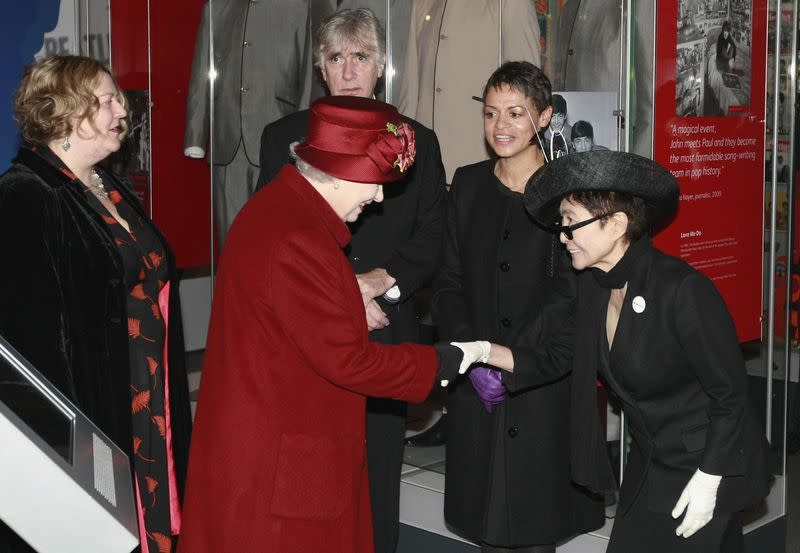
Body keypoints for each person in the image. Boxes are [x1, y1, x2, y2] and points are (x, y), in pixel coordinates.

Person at [179, 95, 481, 553]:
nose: (380, 196)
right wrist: (452, 358)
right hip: (284, 470)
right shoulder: (299, 238)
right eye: (376, 182)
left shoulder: (280, 210)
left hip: (268, 448)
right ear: (343, 171)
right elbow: (352, 363)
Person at [256, 9, 446, 553]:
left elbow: (433, 234)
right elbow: (275, 237)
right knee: (311, 467)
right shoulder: (283, 140)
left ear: (380, 65)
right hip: (309, 327)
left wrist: (384, 284)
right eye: (336, 58)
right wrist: (341, 291)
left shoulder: (418, 142)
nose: (348, 70)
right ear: (321, 68)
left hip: (387, 319)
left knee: (381, 468)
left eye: (360, 56)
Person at [521, 150, 771, 552]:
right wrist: (484, 353)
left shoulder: (682, 290)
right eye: (561, 223)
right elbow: (561, 354)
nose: (563, 235)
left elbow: (731, 395)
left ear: (617, 224)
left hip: (706, 463)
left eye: (571, 222)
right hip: (651, 463)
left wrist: (709, 478)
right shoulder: (595, 286)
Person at [0, 55, 193, 553]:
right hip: (94, 411)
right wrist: (69, 449)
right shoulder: (25, 194)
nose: (120, 110)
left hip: (145, 393)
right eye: (104, 100)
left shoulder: (106, 185)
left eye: (116, 98)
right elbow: (30, 346)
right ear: (63, 111)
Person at [432, 61, 604, 553]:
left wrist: (507, 359)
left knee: (534, 525)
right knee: (487, 520)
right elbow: (448, 282)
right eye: (490, 114)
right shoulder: (466, 184)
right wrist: (473, 354)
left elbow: (570, 292)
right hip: (476, 381)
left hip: (541, 380)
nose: (500, 126)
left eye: (515, 112)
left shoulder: (566, 194)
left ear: (545, 117)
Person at [543, 93, 571, 159]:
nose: (556, 122)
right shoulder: (542, 135)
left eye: (560, 116)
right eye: (553, 116)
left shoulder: (571, 134)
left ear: (565, 116)